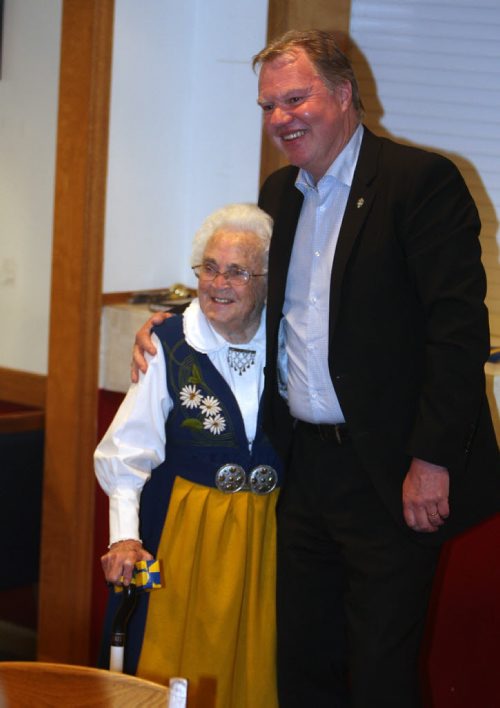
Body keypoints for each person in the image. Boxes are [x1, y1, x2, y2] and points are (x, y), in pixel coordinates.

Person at [132, 30, 500, 708]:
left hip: (391, 474)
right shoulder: (280, 192)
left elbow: (458, 333)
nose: (280, 120)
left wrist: (433, 460)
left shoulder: (419, 183)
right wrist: (171, 329)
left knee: (381, 673)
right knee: (302, 664)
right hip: (300, 469)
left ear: (343, 93)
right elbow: (248, 302)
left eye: (295, 99)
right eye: (268, 106)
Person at [95, 203, 282, 708]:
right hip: (183, 537)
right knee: (170, 667)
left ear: (268, 278)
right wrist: (126, 537)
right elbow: (126, 452)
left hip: (271, 540)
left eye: (237, 271)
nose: (218, 282)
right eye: (209, 267)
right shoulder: (168, 345)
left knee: (263, 668)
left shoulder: (291, 342)